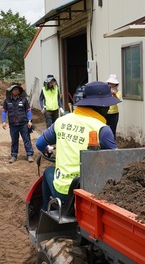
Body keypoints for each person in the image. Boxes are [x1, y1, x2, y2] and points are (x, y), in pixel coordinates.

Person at [36, 81, 121, 211]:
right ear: (100, 106)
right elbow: (116, 161)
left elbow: (39, 144)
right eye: (107, 106)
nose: (109, 109)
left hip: (64, 192)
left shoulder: (61, 121)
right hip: (92, 190)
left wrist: (47, 149)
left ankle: (47, 211)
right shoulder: (102, 129)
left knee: (49, 171)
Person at [2, 82, 34, 163]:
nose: (15, 91)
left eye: (17, 89)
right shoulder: (7, 101)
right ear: (11, 91)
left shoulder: (23, 100)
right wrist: (3, 121)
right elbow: (4, 111)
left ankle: (29, 155)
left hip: (23, 124)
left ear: (19, 91)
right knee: (14, 140)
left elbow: (28, 110)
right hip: (13, 124)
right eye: (14, 89)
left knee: (26, 139)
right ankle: (13, 155)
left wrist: (30, 120)